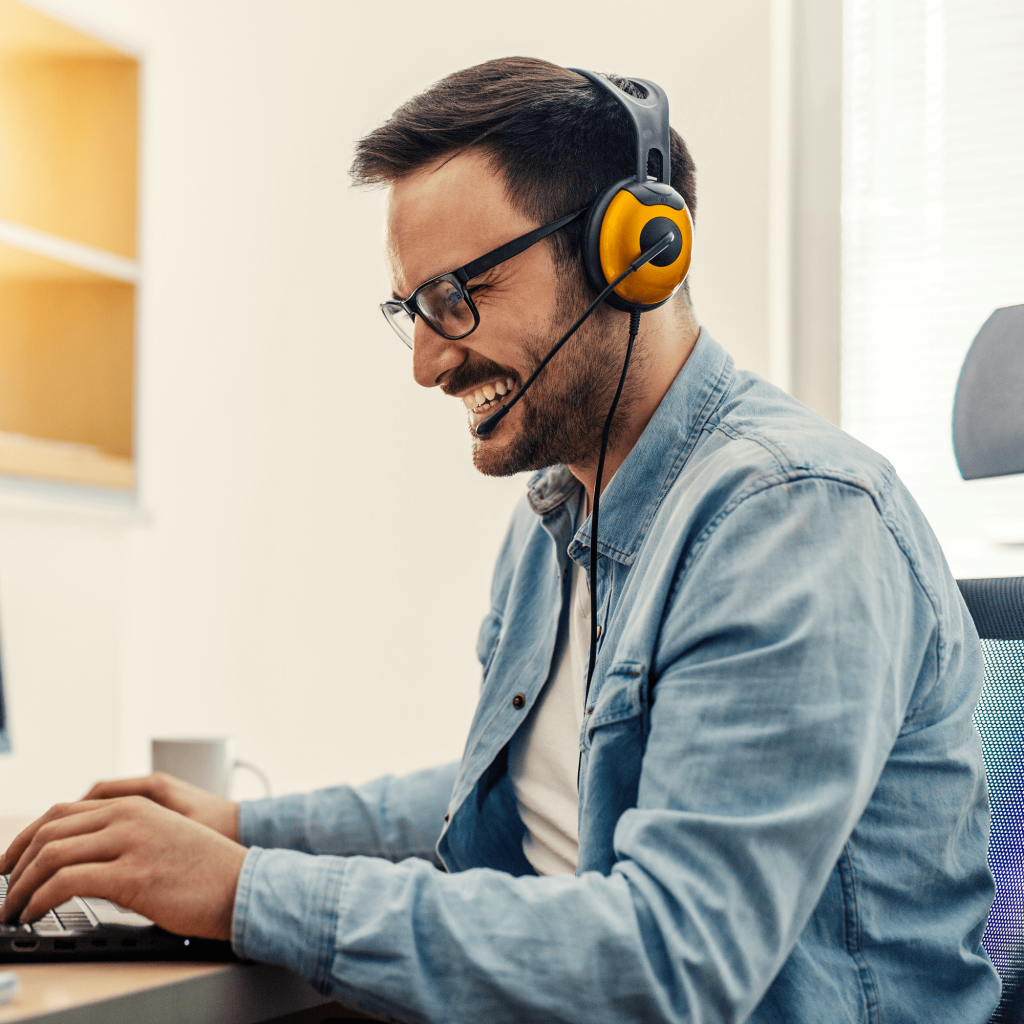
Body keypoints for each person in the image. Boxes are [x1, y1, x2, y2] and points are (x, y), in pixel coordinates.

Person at [0, 57, 1000, 1023]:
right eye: (413, 311)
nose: (429, 361)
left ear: (635, 255)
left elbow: (676, 957)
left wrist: (246, 890)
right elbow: (514, 793)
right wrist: (238, 829)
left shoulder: (791, 519)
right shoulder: (561, 516)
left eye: (457, 296)